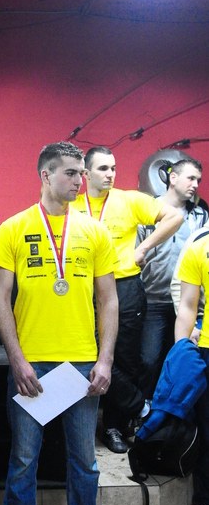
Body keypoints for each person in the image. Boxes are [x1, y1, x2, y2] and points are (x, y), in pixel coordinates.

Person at [0, 141, 121, 505]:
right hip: (32, 366)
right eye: (70, 173)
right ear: (46, 175)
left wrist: (105, 360)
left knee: (85, 462)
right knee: (23, 461)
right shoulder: (13, 228)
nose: (79, 180)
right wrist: (17, 360)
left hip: (82, 367)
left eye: (81, 173)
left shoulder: (94, 232)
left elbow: (109, 301)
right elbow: (1, 300)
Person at [74, 146, 183, 454]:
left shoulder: (129, 200)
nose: (110, 174)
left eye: (113, 168)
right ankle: (138, 407)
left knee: (125, 358)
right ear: (86, 173)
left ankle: (114, 426)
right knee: (89, 353)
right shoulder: (72, 205)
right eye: (103, 169)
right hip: (84, 288)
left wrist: (143, 248)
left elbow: (173, 217)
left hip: (124, 285)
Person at [138, 158, 207, 399]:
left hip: (190, 303)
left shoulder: (201, 216)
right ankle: (144, 410)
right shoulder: (147, 210)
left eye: (198, 180)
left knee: (183, 360)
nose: (195, 184)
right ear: (173, 178)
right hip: (153, 299)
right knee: (149, 361)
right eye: (191, 178)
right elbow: (135, 253)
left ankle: (175, 413)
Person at [175, 229, 209, 505]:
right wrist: (180, 351)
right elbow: (187, 304)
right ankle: (205, 502)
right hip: (207, 348)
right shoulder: (201, 247)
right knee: (207, 430)